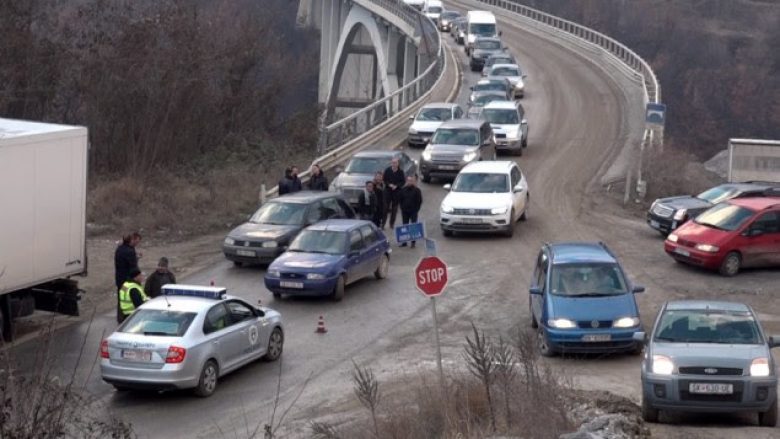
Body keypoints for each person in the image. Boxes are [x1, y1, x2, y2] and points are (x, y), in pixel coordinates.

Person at [114, 232, 141, 323]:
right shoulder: (130, 251)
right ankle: (128, 321)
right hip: (128, 280)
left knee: (122, 299)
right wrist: (138, 276)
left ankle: (120, 319)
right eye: (137, 241)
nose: (137, 243)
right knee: (130, 300)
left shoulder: (120, 249)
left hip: (120, 279)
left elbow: (123, 263)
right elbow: (132, 267)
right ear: (132, 240)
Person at [398, 175, 423, 248]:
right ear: (406, 181)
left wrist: (416, 210)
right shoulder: (403, 190)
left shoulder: (417, 190)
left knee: (413, 227)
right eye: (408, 181)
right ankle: (404, 242)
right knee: (405, 226)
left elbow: (419, 201)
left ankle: (413, 242)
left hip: (413, 211)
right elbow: (400, 200)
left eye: (411, 181)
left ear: (413, 182)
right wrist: (402, 208)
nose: (409, 182)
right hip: (405, 211)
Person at [383, 158, 405, 229]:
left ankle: (391, 224)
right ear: (391, 163)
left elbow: (403, 182)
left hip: (396, 192)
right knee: (385, 208)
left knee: (394, 209)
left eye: (395, 163)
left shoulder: (401, 172)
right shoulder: (387, 170)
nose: (394, 164)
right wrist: (389, 184)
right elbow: (384, 180)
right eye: (393, 163)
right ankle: (383, 224)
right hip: (388, 191)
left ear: (398, 164)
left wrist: (396, 186)